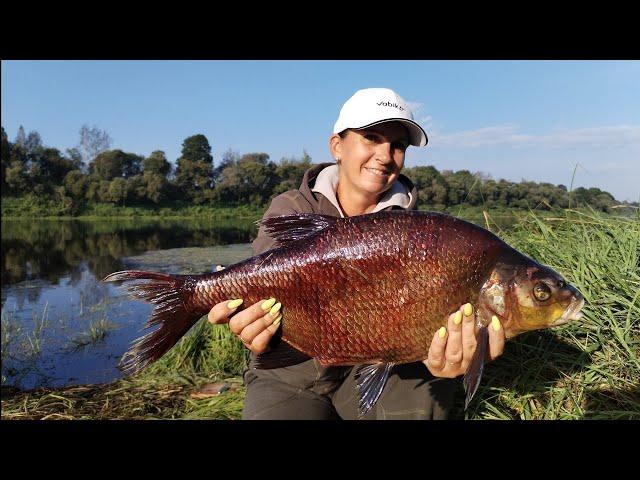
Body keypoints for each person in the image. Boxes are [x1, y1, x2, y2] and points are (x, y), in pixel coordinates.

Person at [207, 87, 506, 419]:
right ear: (337, 146)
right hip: (293, 370)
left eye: (397, 146)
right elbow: (264, 294)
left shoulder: (421, 234)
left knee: (425, 400)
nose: (384, 154)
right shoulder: (291, 207)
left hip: (382, 368)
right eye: (372, 138)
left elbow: (424, 323)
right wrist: (254, 328)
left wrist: (445, 360)